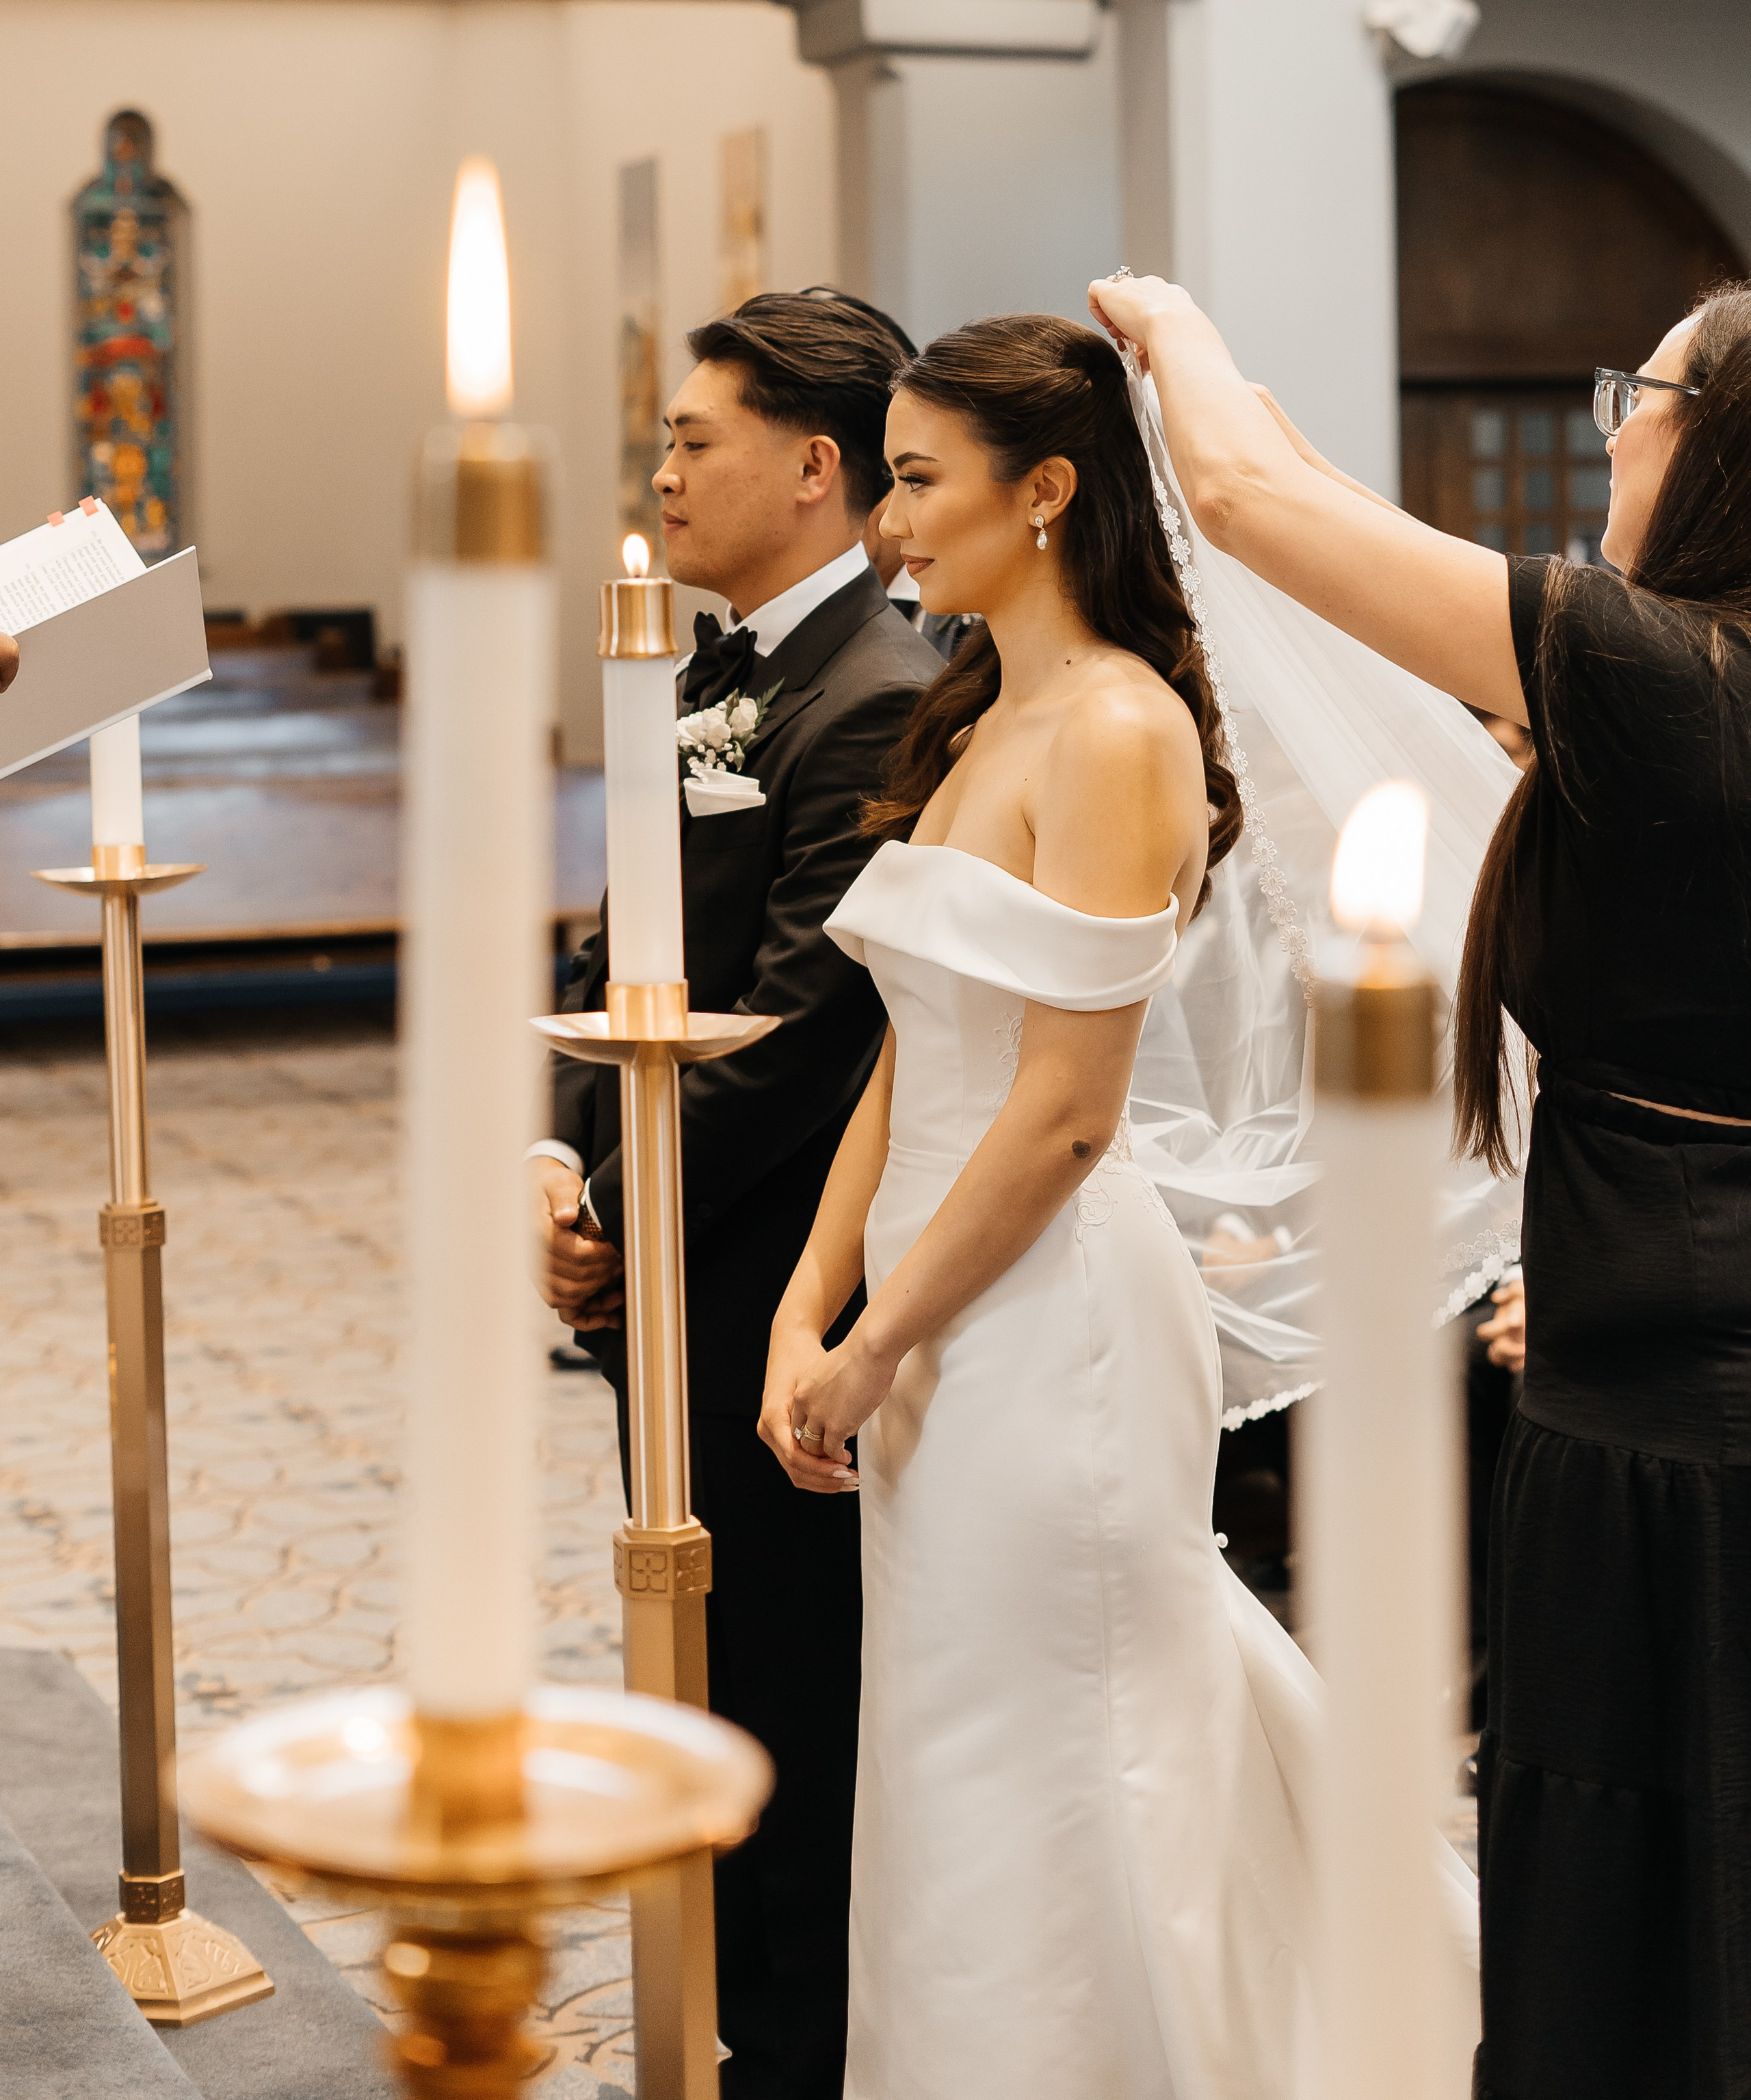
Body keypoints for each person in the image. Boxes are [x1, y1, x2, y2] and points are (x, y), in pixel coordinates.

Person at [1091, 268, 1751, 2100]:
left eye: (1641, 397)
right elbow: (1308, 492)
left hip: (1667, 1422)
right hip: (1649, 1333)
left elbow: (1252, 505)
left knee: (1644, 1887)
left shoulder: (1653, 673)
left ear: (1722, 449)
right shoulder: (1676, 671)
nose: (1613, 433)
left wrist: (1170, 324)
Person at [758, 316, 1341, 2098]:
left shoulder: (1118, 728)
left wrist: (879, 1341)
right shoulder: (983, 712)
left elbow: (1070, 1114)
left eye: (918, 479)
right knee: (951, 1738)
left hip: (1050, 1317)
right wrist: (807, 1298)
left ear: (1048, 491)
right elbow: (909, 1053)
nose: (887, 521)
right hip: (935, 1297)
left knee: (1054, 1732)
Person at [533, 289, 941, 2100]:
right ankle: (718, 2016)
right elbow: (614, 952)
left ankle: (792, 2052)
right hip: (666, 1258)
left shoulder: (879, 698)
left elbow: (799, 1023)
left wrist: (621, 1212)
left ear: (813, 465)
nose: (665, 473)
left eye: (695, 441)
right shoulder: (695, 679)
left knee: (786, 1680)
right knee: (691, 1672)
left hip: (778, 1276)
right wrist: (563, 1166)